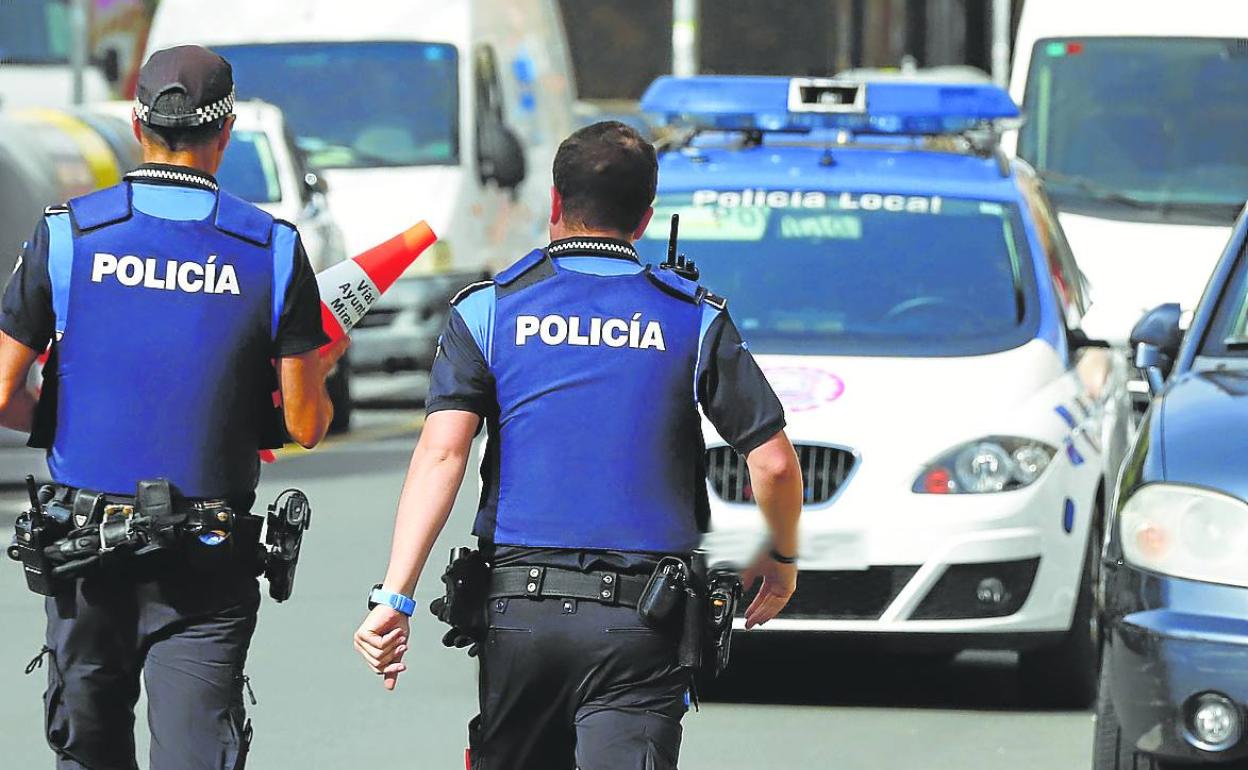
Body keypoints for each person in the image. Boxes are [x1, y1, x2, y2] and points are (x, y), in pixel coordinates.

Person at [352, 121, 804, 769]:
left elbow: (442, 454)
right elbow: (775, 462)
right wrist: (781, 558)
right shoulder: (693, 317)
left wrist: (393, 598)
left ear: (556, 205)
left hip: (520, 616)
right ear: (645, 219)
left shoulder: (488, 311)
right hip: (642, 621)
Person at [0, 45, 347, 769]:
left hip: (82, 552)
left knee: (87, 752)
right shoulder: (273, 249)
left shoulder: (68, 234)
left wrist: (63, 416)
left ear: (137, 124)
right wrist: (317, 368)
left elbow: (0, 389)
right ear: (224, 136)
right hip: (206, 561)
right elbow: (307, 425)